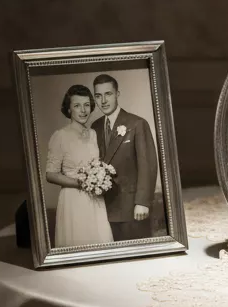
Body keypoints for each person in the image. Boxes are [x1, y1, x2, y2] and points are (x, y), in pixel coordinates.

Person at [46, 84, 114, 247]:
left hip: (95, 199)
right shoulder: (60, 136)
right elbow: (50, 174)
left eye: (86, 105)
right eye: (77, 106)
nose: (83, 110)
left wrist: (100, 179)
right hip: (73, 200)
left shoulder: (93, 134)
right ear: (69, 109)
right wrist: (81, 183)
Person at [93, 73, 159, 240]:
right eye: (98, 96)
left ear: (117, 94)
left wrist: (142, 202)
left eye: (108, 94)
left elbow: (148, 165)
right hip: (103, 208)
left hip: (132, 208)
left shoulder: (137, 123)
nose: (103, 101)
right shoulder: (95, 127)